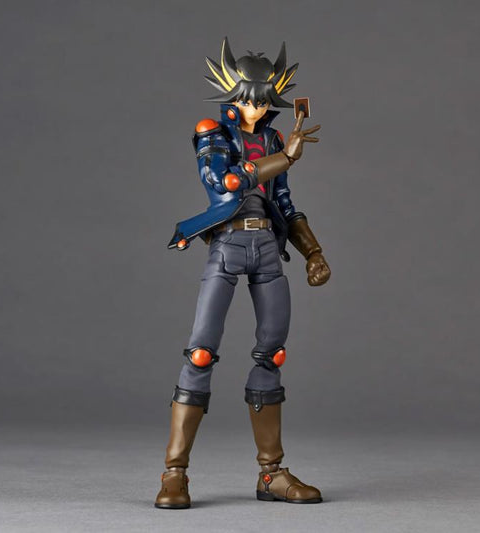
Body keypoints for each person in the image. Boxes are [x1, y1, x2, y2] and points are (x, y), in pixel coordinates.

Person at [155, 37, 331, 509]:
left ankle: (271, 474)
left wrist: (313, 251)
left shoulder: (273, 139)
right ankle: (174, 473)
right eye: (250, 99)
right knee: (200, 353)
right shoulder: (212, 132)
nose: (257, 107)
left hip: (267, 249)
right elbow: (224, 182)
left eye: (264, 100)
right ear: (233, 95)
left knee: (272, 355)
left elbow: (284, 202)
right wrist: (285, 158)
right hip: (228, 245)